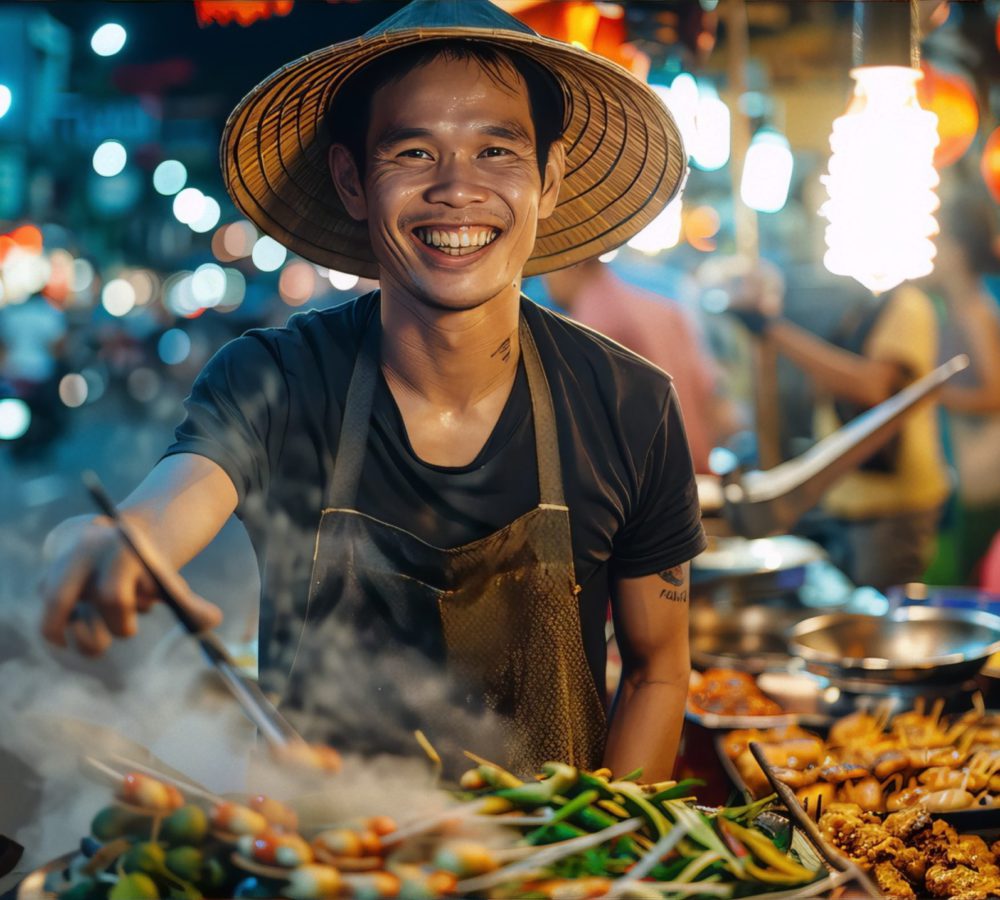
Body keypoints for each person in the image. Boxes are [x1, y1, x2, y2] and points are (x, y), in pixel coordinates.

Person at [39, 0, 704, 779]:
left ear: (549, 180)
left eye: (498, 151)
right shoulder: (277, 381)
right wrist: (121, 541)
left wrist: (612, 871)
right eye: (414, 153)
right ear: (353, 181)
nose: (457, 189)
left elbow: (660, 668)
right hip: (321, 864)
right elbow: (172, 501)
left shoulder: (630, 405)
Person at [726, 261, 949, 591]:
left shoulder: (907, 304)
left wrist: (772, 330)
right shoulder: (860, 306)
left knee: (877, 619)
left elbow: (873, 388)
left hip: (893, 505)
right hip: (848, 499)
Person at [543, 257, 740, 474]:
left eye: (546, 269)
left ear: (572, 264)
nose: (545, 281)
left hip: (648, 490)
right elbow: (711, 397)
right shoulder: (663, 309)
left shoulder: (591, 325)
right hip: (695, 476)